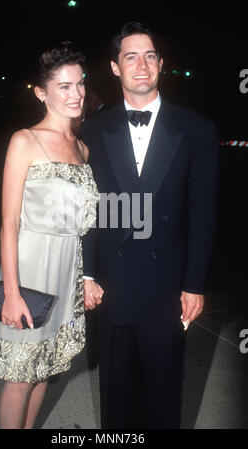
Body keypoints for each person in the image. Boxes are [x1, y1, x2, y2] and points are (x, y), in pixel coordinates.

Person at [81, 22, 219, 429]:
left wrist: (194, 283)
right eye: (130, 57)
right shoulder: (92, 129)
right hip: (113, 284)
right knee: (117, 399)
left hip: (168, 286)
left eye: (150, 56)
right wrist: (87, 273)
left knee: (163, 397)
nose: (141, 65)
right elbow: (89, 210)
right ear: (114, 67)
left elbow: (203, 214)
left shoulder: (196, 129)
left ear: (160, 64)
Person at [0, 42, 100, 429]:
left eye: (80, 85)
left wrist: (86, 278)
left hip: (66, 272)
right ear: (42, 93)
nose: (76, 95)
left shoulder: (83, 148)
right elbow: (9, 224)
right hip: (30, 269)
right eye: (64, 87)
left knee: (43, 369)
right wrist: (13, 292)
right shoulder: (25, 141)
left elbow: (83, 226)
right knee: (19, 375)